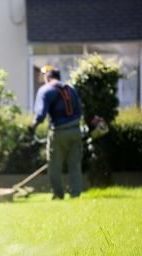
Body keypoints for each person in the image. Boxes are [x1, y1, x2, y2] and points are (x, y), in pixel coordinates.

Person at [29, 65, 83, 199]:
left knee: (54, 166)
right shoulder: (70, 88)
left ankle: (58, 194)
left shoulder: (45, 90)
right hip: (76, 130)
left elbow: (40, 114)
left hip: (58, 132)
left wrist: (32, 126)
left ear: (47, 77)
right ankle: (75, 194)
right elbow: (79, 110)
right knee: (74, 165)